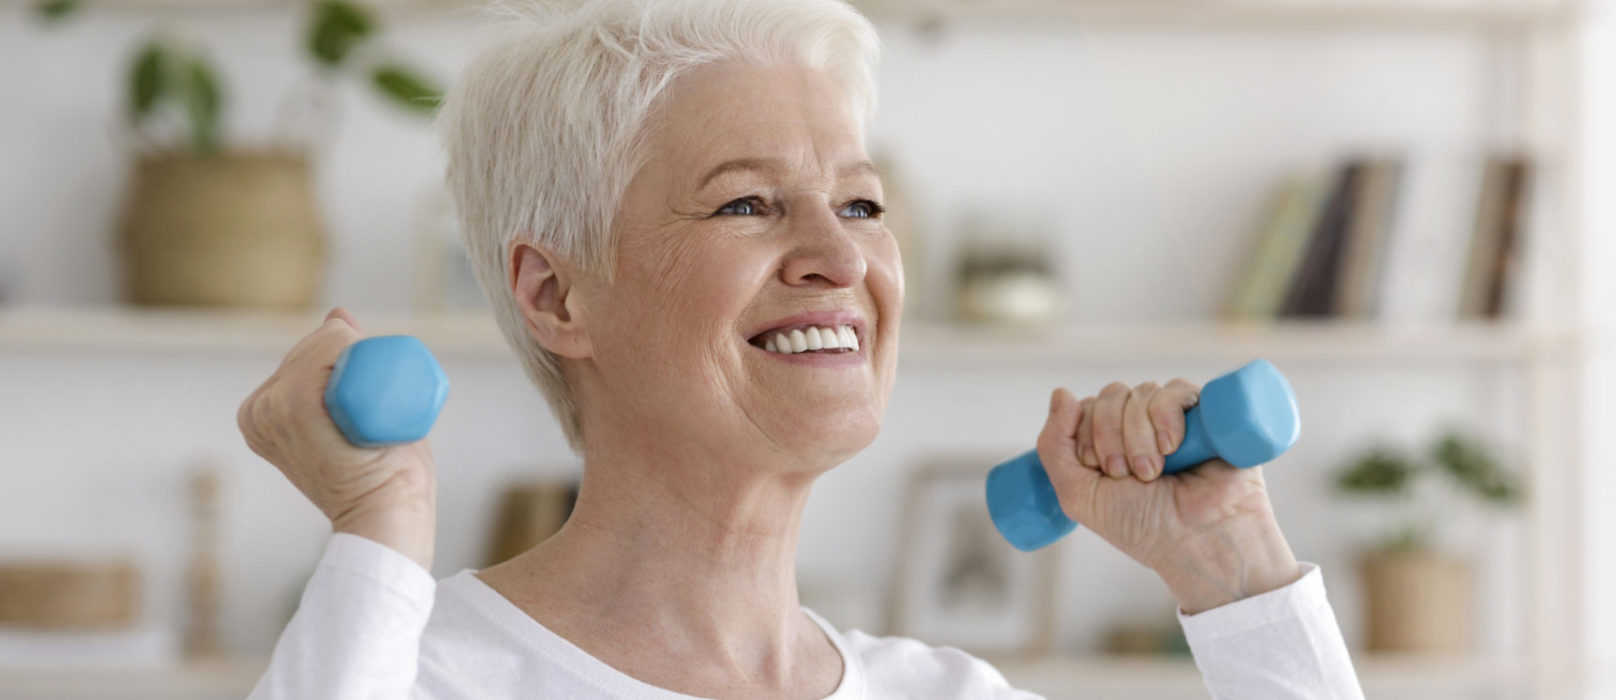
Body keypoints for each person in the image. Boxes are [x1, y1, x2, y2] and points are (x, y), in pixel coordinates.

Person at [232, 0, 1362, 697]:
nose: (839, 257)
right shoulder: (408, 674)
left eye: (863, 206)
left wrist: (1236, 581)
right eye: (746, 206)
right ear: (553, 292)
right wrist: (375, 537)